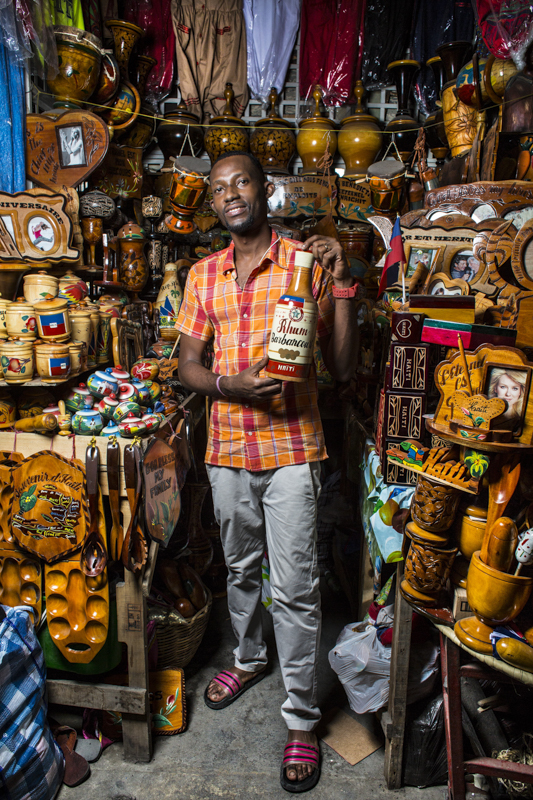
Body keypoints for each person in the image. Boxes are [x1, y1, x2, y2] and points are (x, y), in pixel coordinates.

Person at [176, 151, 357, 793]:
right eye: (219, 187)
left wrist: (342, 288)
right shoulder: (203, 275)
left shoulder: (304, 263)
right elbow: (187, 366)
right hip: (227, 446)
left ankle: (303, 720)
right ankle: (250, 658)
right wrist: (229, 386)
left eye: (242, 181)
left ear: (264, 189)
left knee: (298, 585)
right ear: (213, 203)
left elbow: (340, 369)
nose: (231, 194)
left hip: (293, 450)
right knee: (239, 568)